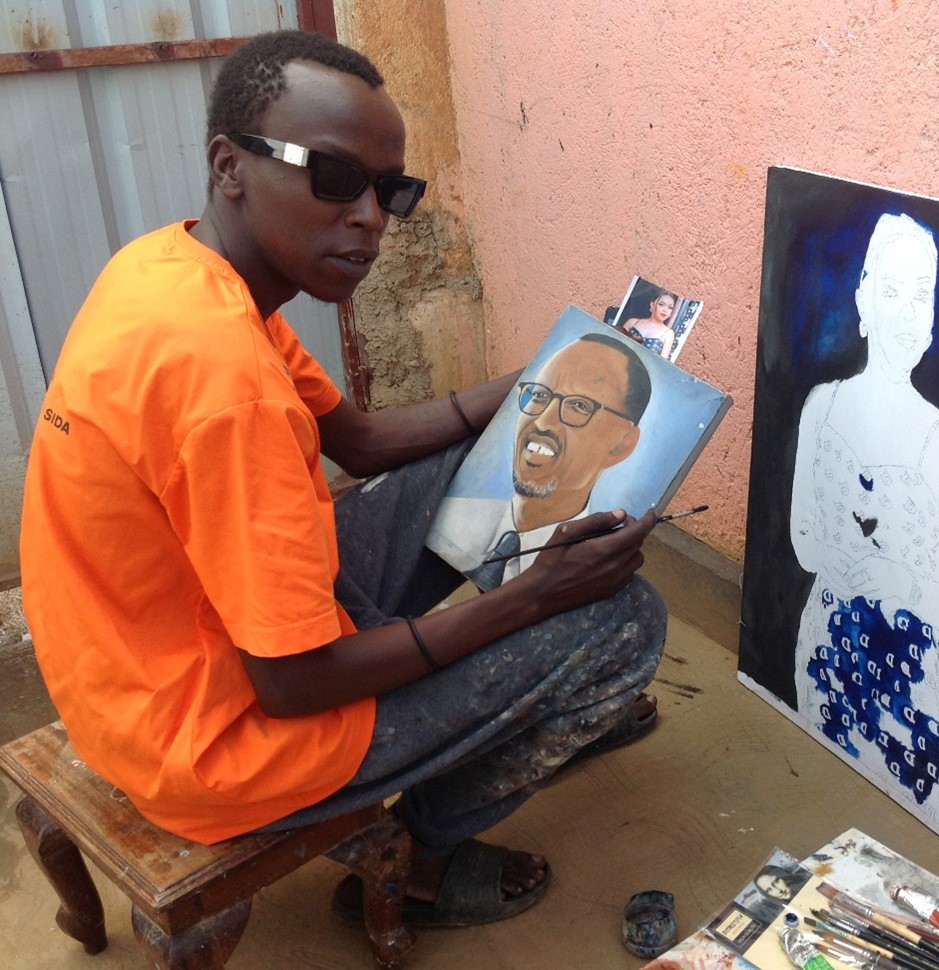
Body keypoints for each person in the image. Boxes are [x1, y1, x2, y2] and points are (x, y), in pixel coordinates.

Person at [19, 29, 664, 932]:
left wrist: (539, 383)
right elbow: (291, 684)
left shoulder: (178, 267)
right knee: (624, 626)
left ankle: (523, 691)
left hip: (135, 666)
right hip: (216, 740)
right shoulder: (226, 386)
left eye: (387, 190)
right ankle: (432, 856)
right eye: (330, 177)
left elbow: (359, 442)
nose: (366, 215)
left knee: (465, 465)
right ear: (229, 163)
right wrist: (533, 602)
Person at [788, 212, 939, 838]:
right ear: (864, 300)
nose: (904, 313)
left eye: (919, 294)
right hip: (825, 655)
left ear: (932, 314)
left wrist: (896, 581)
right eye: (890, 292)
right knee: (820, 810)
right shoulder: (823, 407)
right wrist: (840, 558)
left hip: (908, 690)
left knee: (904, 838)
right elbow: (802, 538)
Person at [431, 332, 651, 588]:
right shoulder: (450, 516)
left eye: (579, 406)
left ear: (622, 444)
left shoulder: (586, 576)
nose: (544, 421)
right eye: (539, 395)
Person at [620, 289, 678, 359]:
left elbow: (662, 362)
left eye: (670, 307)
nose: (665, 310)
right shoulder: (632, 322)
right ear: (652, 305)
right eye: (661, 304)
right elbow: (615, 344)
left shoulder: (668, 333)